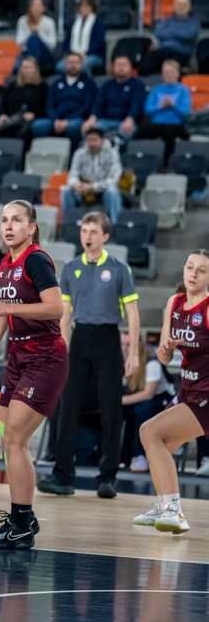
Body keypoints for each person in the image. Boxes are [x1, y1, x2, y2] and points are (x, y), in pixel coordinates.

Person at [0, 200, 67, 549]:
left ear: (31, 227)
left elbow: (55, 307)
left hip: (45, 358)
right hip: (18, 359)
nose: (8, 225)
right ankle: (23, 518)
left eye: (16, 220)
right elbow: (0, 323)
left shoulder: (36, 259)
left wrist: (8, 306)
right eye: (4, 220)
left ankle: (21, 524)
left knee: (16, 440)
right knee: (10, 443)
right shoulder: (5, 264)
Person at [39, 211, 140, 499]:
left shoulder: (119, 269)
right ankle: (62, 475)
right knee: (67, 407)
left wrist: (133, 353)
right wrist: (61, 348)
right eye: (84, 231)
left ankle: (108, 477)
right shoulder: (71, 268)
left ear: (105, 236)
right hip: (80, 339)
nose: (88, 236)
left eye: (94, 231)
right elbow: (65, 314)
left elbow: (132, 313)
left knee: (111, 410)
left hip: (108, 339)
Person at [134, 250, 209, 533]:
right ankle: (164, 504)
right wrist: (166, 349)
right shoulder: (174, 302)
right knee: (161, 445)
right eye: (190, 267)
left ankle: (173, 510)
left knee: (149, 431)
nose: (193, 274)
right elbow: (164, 358)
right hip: (188, 389)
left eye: (201, 270)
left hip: (206, 394)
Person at [122, 332, 174, 473]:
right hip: (139, 399)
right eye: (122, 344)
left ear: (138, 345)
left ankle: (141, 455)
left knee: (142, 410)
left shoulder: (151, 362)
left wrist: (120, 401)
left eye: (129, 344)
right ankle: (121, 456)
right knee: (118, 412)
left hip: (162, 400)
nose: (125, 348)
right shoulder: (121, 362)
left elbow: (148, 393)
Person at [31, 52, 97, 143]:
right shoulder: (56, 83)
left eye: (76, 63)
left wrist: (67, 121)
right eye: (70, 62)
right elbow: (49, 105)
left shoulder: (89, 83)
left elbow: (87, 106)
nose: (73, 65)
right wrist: (55, 120)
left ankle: (71, 151)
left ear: (81, 65)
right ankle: (44, 150)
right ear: (65, 64)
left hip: (77, 118)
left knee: (74, 126)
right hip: (56, 118)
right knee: (38, 125)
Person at [62, 127, 122, 225]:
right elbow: (72, 174)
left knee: (112, 191)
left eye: (95, 140)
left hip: (103, 190)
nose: (91, 143)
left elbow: (114, 179)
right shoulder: (79, 153)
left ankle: (114, 225)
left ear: (102, 140)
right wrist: (76, 184)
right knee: (66, 190)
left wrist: (93, 187)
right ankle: (69, 224)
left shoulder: (112, 153)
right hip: (83, 190)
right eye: (89, 140)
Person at [137, 59, 192, 162]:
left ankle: (167, 164)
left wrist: (173, 105)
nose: (169, 75)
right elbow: (147, 110)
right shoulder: (156, 89)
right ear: (162, 74)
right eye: (166, 72)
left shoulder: (184, 90)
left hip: (176, 125)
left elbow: (186, 112)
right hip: (156, 125)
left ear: (178, 74)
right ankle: (142, 161)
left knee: (170, 133)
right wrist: (160, 106)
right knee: (140, 133)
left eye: (172, 72)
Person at [82, 54, 145, 142]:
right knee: (89, 129)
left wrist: (130, 119)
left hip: (126, 121)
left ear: (131, 67)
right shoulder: (107, 85)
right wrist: (92, 118)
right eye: (118, 65)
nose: (121, 68)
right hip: (105, 121)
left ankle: (115, 149)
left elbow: (136, 104)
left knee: (126, 132)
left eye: (124, 65)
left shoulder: (138, 85)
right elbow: (98, 103)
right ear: (113, 67)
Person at [140, 0, 200, 75]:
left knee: (171, 70)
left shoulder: (194, 22)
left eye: (184, 4)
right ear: (174, 6)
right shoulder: (167, 20)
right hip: (162, 51)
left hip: (180, 54)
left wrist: (169, 32)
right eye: (178, 4)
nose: (181, 7)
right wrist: (178, 33)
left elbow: (188, 36)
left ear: (189, 7)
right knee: (144, 68)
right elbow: (158, 33)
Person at [0, 57, 46, 140]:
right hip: (11, 117)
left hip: (30, 119)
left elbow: (45, 105)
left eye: (30, 67)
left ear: (36, 69)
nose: (27, 70)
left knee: (23, 131)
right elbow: (3, 102)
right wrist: (3, 115)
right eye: (24, 67)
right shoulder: (13, 85)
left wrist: (35, 115)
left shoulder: (42, 86)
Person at [59, 0, 106, 75]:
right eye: (82, 6)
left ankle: (86, 83)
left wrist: (85, 54)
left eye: (87, 6)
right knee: (60, 66)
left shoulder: (98, 23)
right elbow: (66, 42)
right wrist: (71, 54)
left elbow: (98, 43)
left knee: (84, 65)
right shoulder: (73, 23)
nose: (84, 8)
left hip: (92, 55)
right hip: (73, 55)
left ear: (92, 8)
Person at [16, 0, 57, 75]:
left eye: (39, 6)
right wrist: (30, 33)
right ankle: (32, 65)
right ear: (30, 8)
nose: (36, 8)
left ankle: (33, 65)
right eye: (34, 6)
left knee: (35, 38)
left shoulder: (49, 21)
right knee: (32, 39)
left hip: (45, 54)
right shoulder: (22, 20)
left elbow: (52, 44)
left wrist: (39, 33)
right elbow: (19, 42)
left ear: (43, 8)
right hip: (26, 53)